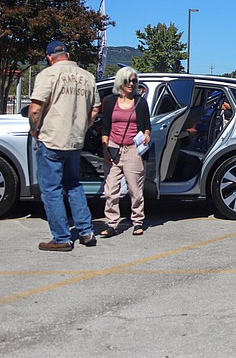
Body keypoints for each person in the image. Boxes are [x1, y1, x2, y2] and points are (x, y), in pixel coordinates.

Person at [28, 41, 101, 251]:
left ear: (49, 57)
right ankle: (86, 232)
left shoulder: (48, 75)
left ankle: (61, 238)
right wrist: (83, 127)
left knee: (51, 189)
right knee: (74, 184)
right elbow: (95, 108)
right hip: (75, 141)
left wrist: (35, 130)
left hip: (52, 139)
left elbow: (34, 109)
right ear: (68, 55)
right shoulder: (87, 77)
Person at [100, 67, 151, 237]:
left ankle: (137, 221)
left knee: (135, 190)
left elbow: (146, 125)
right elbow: (105, 126)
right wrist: (105, 148)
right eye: (128, 80)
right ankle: (112, 223)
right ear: (120, 82)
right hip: (114, 148)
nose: (131, 84)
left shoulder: (140, 102)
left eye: (134, 81)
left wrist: (146, 135)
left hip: (133, 150)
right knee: (110, 190)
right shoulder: (109, 101)